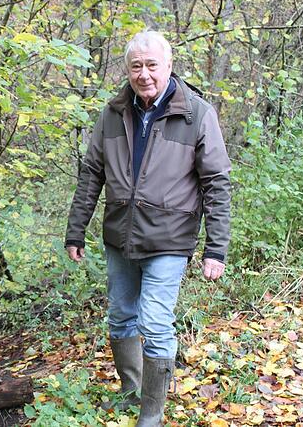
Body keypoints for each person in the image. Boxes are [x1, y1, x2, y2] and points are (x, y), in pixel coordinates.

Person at [64, 30, 231, 426]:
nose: (144, 74)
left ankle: (151, 415)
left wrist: (215, 248)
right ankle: (131, 391)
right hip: (120, 235)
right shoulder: (112, 112)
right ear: (127, 69)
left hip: (170, 239)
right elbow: (91, 175)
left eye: (152, 65)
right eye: (136, 66)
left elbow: (217, 183)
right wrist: (76, 230)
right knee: (121, 315)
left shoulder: (197, 114)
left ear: (169, 66)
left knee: (155, 322)